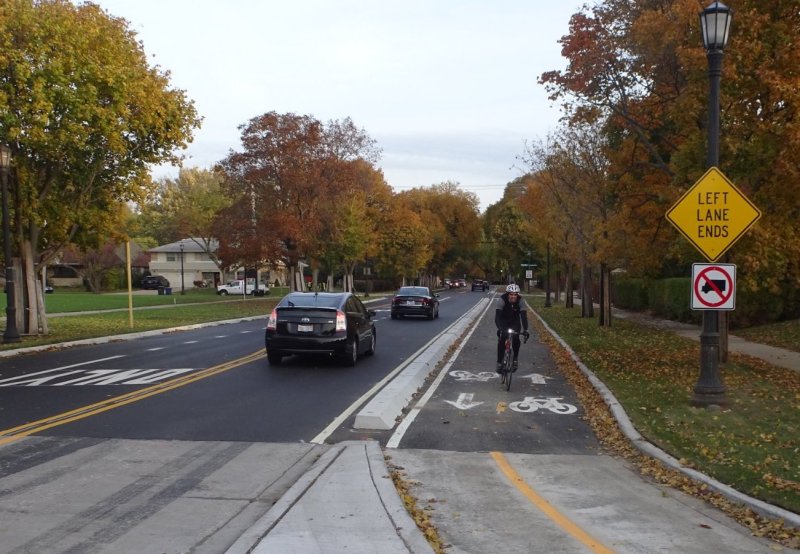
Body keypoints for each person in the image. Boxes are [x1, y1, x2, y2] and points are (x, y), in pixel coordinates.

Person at [495, 283, 530, 372]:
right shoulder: (502, 300)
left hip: (515, 321)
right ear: (507, 294)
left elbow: (523, 316)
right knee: (502, 339)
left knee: (516, 338)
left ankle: (515, 359)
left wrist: (525, 329)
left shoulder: (521, 300)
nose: (513, 296)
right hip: (503, 320)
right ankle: (499, 362)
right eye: (511, 294)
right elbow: (497, 317)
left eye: (515, 295)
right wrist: (499, 328)